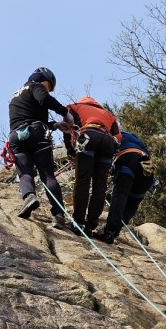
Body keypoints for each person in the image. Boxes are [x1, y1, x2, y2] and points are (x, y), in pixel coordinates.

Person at [7, 67, 73, 224]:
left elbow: (27, 116)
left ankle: (29, 195)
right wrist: (65, 113)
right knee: (47, 175)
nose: (48, 90)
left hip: (16, 137)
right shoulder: (35, 86)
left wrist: (55, 125)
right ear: (44, 80)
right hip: (36, 134)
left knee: (24, 173)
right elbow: (44, 99)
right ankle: (59, 214)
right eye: (49, 87)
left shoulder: (16, 96)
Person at [61, 96, 121, 237]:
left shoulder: (74, 107)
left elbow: (67, 129)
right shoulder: (110, 115)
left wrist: (71, 151)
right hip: (107, 143)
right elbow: (118, 138)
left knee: (83, 180)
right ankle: (90, 225)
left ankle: (78, 222)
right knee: (100, 185)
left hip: (88, 136)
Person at [100, 130, 154, 244]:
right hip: (147, 167)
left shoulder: (114, 134)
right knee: (133, 201)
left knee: (120, 196)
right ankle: (115, 231)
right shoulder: (136, 140)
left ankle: (109, 232)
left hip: (128, 159)